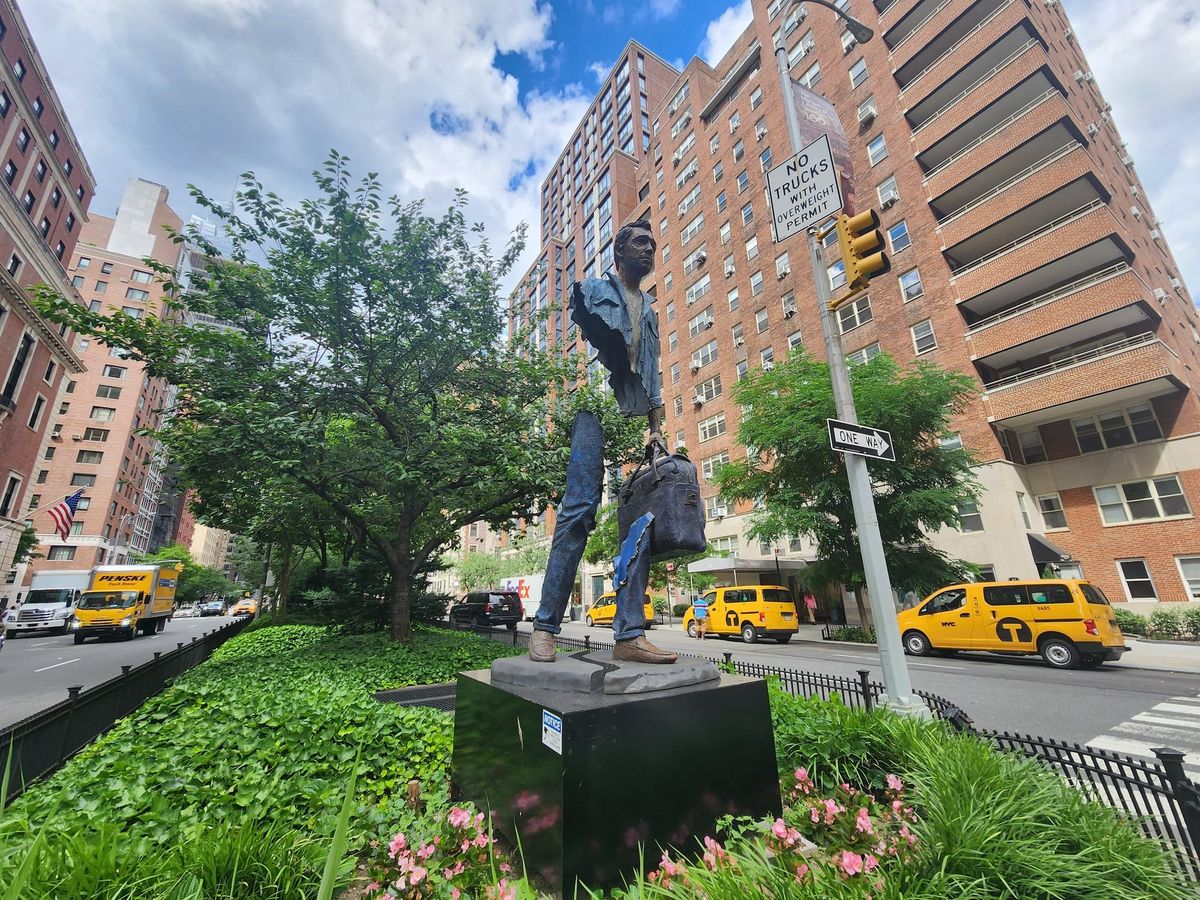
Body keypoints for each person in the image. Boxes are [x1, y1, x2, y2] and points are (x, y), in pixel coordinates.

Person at [528, 219, 678, 665]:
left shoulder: (649, 309)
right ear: (619, 252)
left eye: (653, 243)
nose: (650, 248)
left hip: (632, 416)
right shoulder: (592, 290)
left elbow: (651, 371)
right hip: (595, 407)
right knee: (577, 511)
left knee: (643, 520)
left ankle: (629, 634)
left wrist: (656, 427)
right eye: (640, 242)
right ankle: (545, 627)